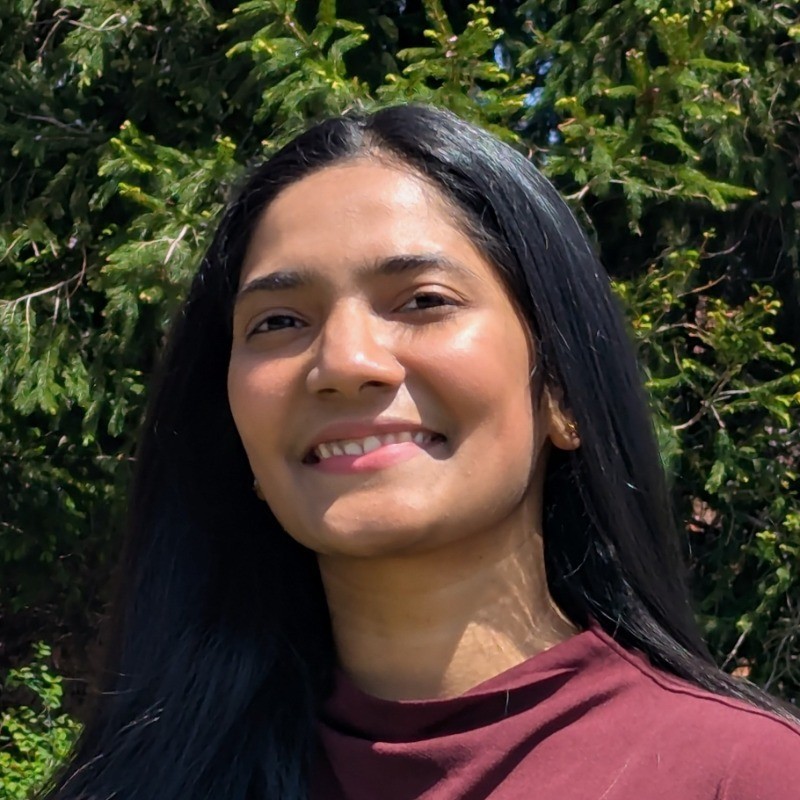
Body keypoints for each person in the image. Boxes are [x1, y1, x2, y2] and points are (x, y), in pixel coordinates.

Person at [46, 105, 799, 800]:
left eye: (423, 301)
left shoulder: (744, 777)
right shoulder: (139, 778)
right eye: (278, 321)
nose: (344, 361)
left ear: (562, 393)